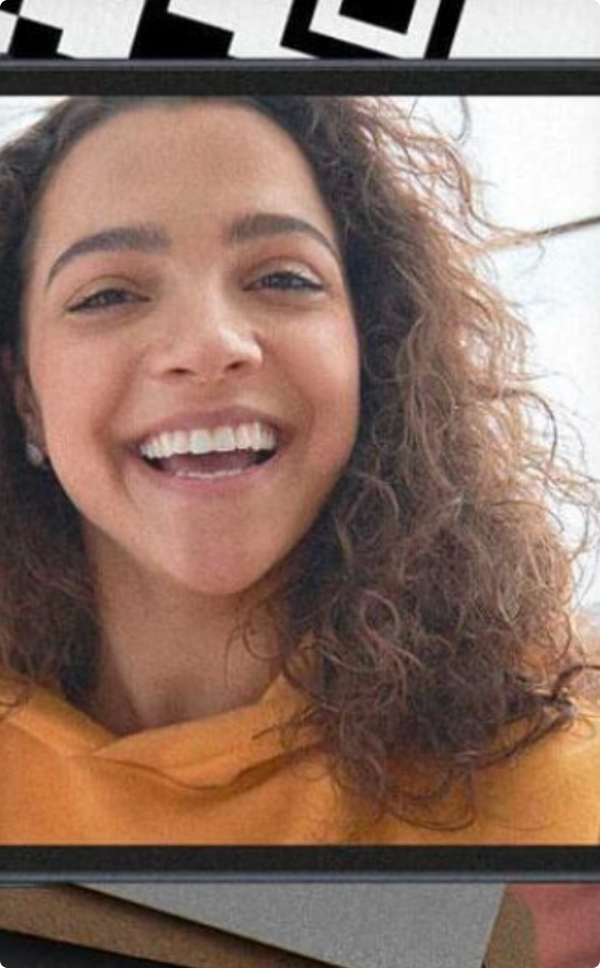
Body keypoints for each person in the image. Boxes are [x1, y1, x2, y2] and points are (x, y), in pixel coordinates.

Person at [0, 94, 598, 845]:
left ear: (373, 351)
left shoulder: (561, 802)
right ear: (25, 396)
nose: (209, 344)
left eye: (283, 279)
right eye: (108, 294)